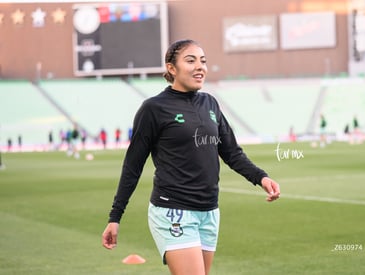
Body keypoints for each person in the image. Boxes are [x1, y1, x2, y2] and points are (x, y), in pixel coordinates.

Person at [101, 39, 281, 275]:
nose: (200, 66)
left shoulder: (211, 104)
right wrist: (115, 217)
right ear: (171, 68)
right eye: (190, 60)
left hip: (209, 211)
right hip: (173, 211)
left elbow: (231, 152)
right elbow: (133, 165)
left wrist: (261, 178)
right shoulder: (154, 108)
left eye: (203, 61)